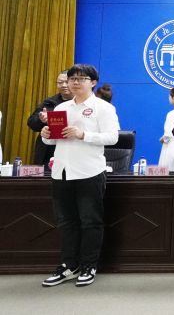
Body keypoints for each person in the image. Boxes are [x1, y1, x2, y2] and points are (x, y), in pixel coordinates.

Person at [39, 64, 120, 288]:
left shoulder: (103, 108)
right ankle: (69, 265)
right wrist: (46, 134)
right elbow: (53, 140)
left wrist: (83, 134)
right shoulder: (61, 107)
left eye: (81, 79)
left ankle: (88, 266)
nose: (75, 82)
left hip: (89, 171)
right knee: (66, 222)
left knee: (90, 221)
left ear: (93, 82)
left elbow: (113, 137)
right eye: (72, 78)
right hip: (62, 171)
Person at [26, 71, 71, 167]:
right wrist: (41, 120)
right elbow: (31, 123)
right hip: (46, 151)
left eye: (67, 82)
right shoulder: (49, 102)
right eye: (60, 82)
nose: (64, 85)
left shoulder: (80, 102)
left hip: (70, 149)